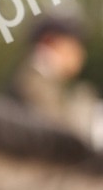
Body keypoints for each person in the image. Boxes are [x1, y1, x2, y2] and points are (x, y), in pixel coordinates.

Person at [7, 12, 102, 146]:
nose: (81, 53)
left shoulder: (44, 80)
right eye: (75, 44)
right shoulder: (33, 81)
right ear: (50, 41)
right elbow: (60, 130)